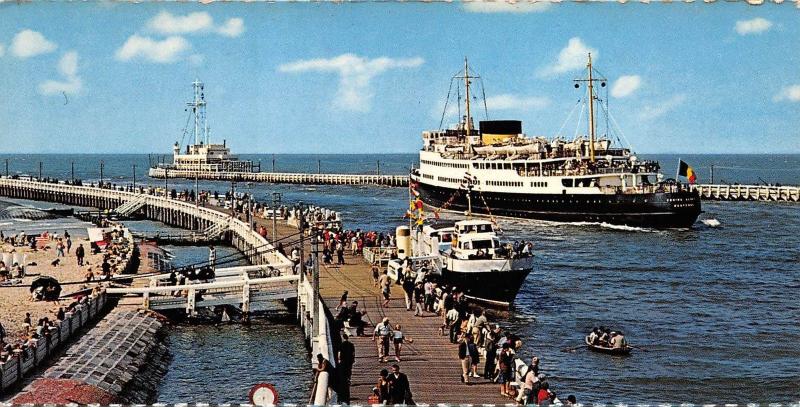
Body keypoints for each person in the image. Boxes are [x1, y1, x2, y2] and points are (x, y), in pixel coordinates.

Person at [337, 334, 355, 404]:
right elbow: (353, 353)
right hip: (349, 360)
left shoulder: (341, 345)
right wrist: (353, 359)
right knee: (349, 370)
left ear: (343, 338)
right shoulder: (351, 344)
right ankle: (349, 379)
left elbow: (339, 353)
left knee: (344, 370)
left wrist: (339, 360)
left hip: (343, 360)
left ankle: (346, 380)